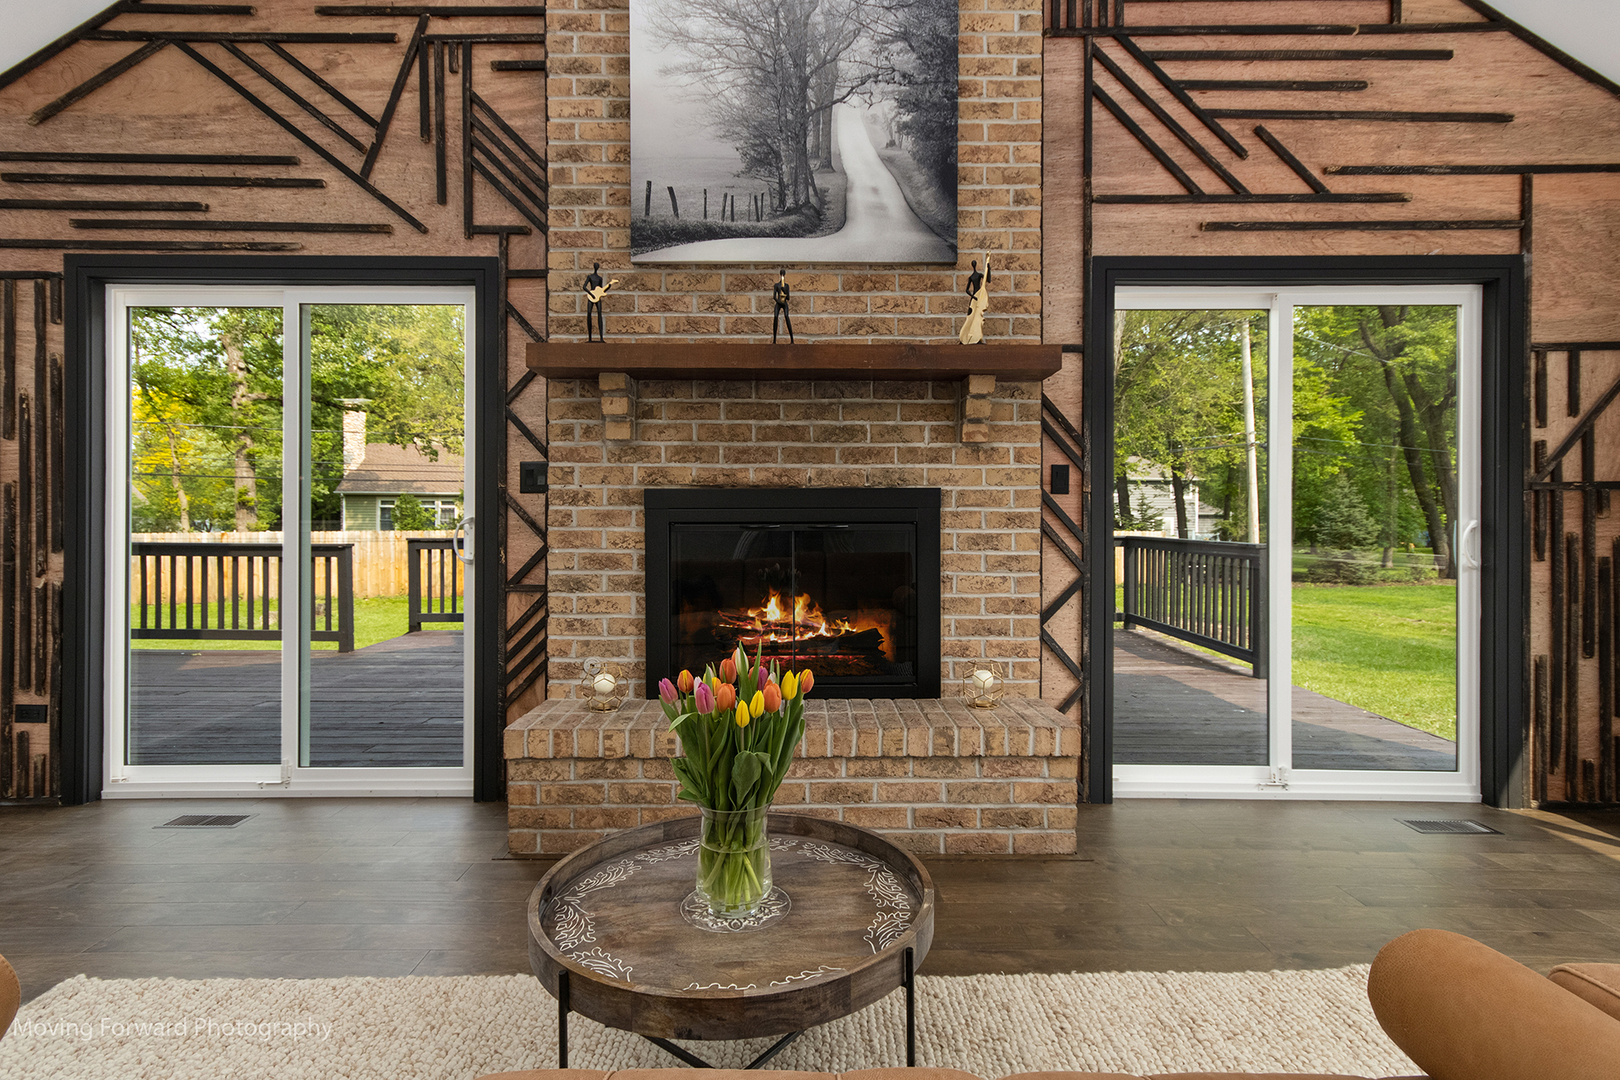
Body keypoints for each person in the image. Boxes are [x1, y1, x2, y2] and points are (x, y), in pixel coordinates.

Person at [959, 256, 991, 345]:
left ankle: (977, 337)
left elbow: (988, 280)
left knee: (978, 317)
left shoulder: (980, 275)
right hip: (975, 298)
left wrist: (988, 268)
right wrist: (973, 296)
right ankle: (965, 336)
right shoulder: (971, 277)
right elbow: (967, 290)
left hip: (979, 296)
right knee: (970, 316)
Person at [583, 263, 618, 342]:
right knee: (589, 314)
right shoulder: (590, 277)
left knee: (599, 314)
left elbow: (601, 290)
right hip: (591, 297)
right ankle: (589, 338)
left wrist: (609, 286)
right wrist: (591, 294)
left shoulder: (600, 278)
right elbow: (584, 287)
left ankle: (601, 338)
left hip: (597, 297)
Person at [772, 268, 794, 344]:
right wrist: (779, 302)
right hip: (778, 303)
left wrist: (784, 290)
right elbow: (774, 296)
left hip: (784, 303)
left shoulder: (786, 286)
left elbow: (788, 298)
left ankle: (792, 340)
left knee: (787, 317)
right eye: (781, 274)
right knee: (775, 317)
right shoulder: (776, 285)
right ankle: (774, 340)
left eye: (783, 274)